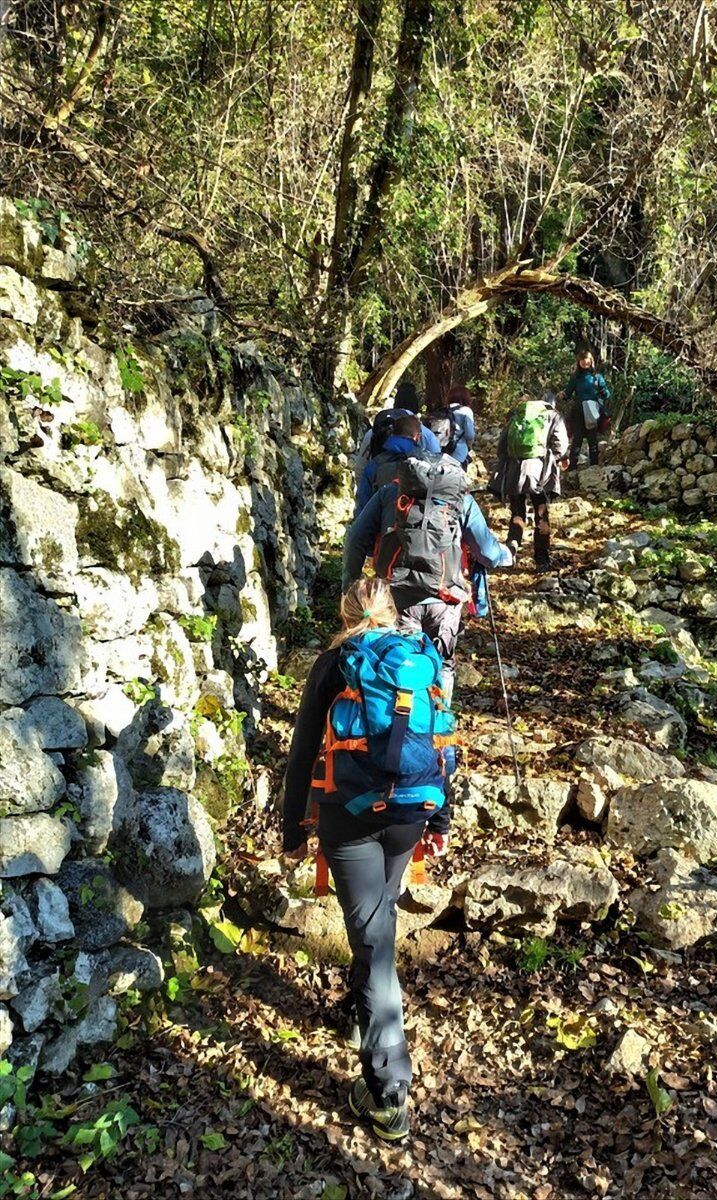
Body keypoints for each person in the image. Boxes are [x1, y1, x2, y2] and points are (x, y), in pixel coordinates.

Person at [281, 578, 452, 1144]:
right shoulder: (417, 660)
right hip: (409, 812)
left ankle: (386, 1093)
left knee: (377, 944)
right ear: (390, 613)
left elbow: (303, 750)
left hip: (349, 816)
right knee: (377, 923)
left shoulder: (335, 664)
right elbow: (439, 743)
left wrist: (292, 831)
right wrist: (441, 820)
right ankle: (359, 1019)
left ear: (347, 612)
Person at [342, 458, 511, 698]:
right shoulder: (461, 499)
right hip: (445, 598)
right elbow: (488, 553)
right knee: (443, 665)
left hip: (396, 598)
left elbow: (355, 539)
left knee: (398, 661)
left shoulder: (390, 494)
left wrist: (349, 589)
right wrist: (504, 555)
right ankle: (436, 724)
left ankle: (399, 725)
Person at [493, 392, 569, 571]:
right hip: (540, 473)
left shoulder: (517, 414)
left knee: (517, 512)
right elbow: (561, 446)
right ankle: (541, 560)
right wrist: (555, 459)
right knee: (541, 512)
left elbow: (501, 446)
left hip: (514, 470)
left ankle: (511, 552)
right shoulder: (553, 416)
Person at [353, 382, 440, 482]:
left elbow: (360, 467)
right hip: (412, 492)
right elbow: (437, 471)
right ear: (416, 406)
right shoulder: (427, 435)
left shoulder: (377, 429)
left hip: (378, 487)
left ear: (395, 403)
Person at [354, 414, 430, 517]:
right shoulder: (427, 464)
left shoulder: (375, 464)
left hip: (382, 528)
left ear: (392, 434)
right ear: (418, 437)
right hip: (416, 528)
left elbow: (363, 506)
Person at [559, 351, 610, 468]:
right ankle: (572, 467)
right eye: (582, 359)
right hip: (578, 411)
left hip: (592, 411)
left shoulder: (597, 377)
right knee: (577, 438)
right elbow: (568, 393)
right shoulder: (576, 377)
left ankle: (594, 466)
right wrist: (562, 396)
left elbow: (606, 394)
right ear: (579, 361)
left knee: (592, 439)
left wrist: (604, 392)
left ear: (591, 360)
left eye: (587, 359)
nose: (585, 361)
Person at [423, 384, 476, 467]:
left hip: (440, 450)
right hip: (458, 452)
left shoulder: (443, 409)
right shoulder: (466, 411)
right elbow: (469, 435)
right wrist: (470, 447)